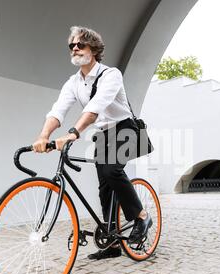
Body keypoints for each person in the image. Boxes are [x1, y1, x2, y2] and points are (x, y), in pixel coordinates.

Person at [33, 26, 152, 260]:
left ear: (94, 49)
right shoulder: (73, 82)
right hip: (103, 134)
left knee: (111, 170)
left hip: (125, 128)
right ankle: (112, 243)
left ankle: (140, 216)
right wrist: (43, 135)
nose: (75, 48)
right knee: (105, 186)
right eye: (71, 45)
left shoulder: (111, 74)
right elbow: (58, 110)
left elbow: (95, 108)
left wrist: (73, 133)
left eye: (80, 44)